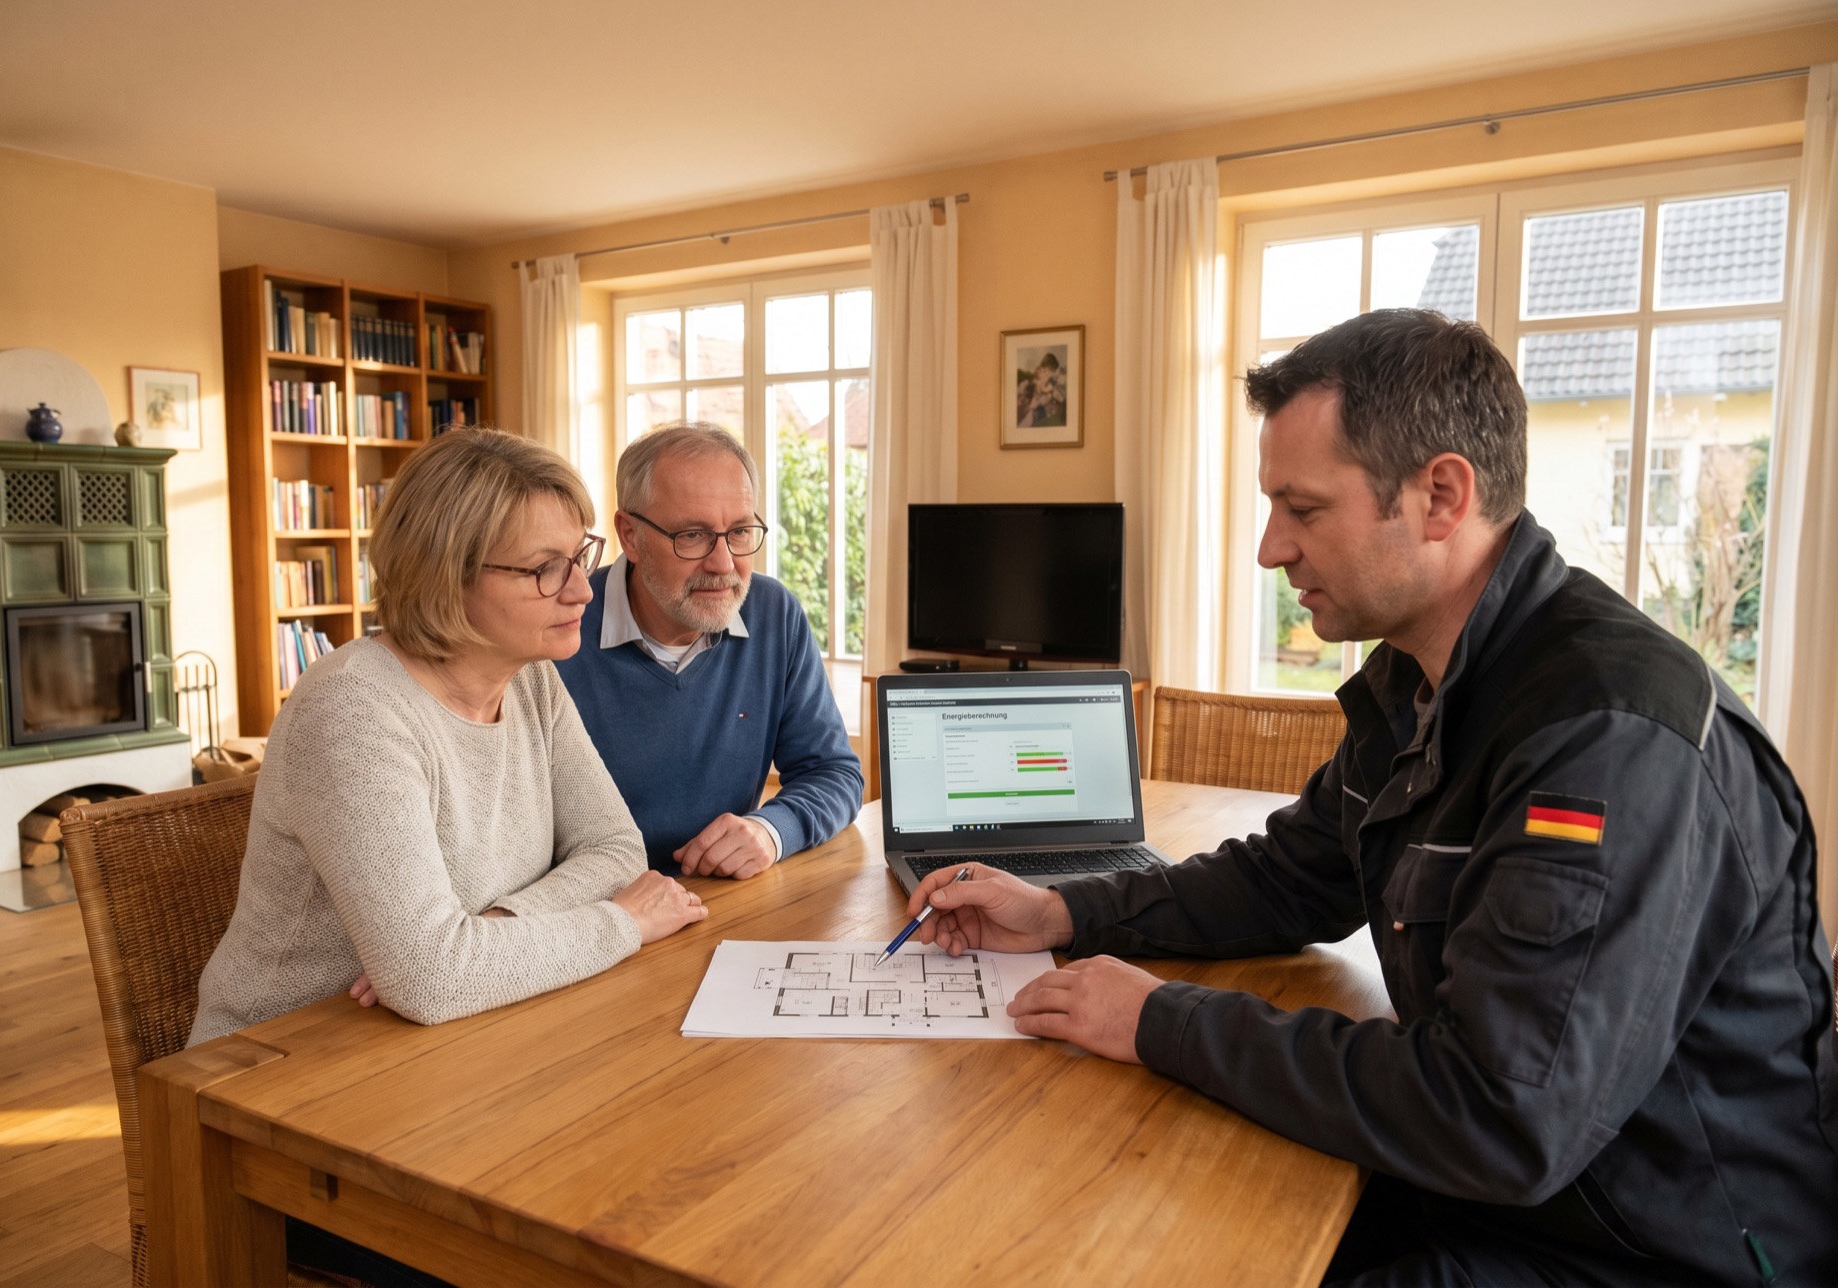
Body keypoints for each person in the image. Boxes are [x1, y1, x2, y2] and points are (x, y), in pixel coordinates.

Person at [906, 310, 1838, 1285]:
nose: (1270, 549)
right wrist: (1063, 907)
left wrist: (1160, 1019)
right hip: (1522, 1196)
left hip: (1650, 1247)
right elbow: (1291, 877)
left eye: (1302, 509)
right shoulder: (1420, 681)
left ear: (1441, 494)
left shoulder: (1605, 738)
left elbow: (1497, 1115)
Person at [191, 427, 708, 1047]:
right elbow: (434, 979)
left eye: (579, 557)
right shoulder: (352, 709)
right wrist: (622, 922)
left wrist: (491, 930)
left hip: (461, 1032)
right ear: (444, 575)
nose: (581, 589)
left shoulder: (531, 680)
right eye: (546, 568)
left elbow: (615, 849)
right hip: (292, 1058)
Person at [556, 422, 863, 878]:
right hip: (596, 916)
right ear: (631, 535)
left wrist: (771, 831)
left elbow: (835, 772)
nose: (723, 565)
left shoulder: (773, 614)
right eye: (693, 536)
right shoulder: (559, 630)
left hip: (721, 902)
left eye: (740, 532)